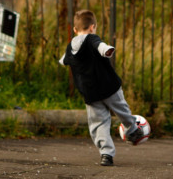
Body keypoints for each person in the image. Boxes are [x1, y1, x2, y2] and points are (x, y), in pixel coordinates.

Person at [59, 9, 144, 166]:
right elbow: (101, 46)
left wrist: (64, 61)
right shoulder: (92, 39)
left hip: (90, 93)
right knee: (122, 109)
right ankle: (132, 130)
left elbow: (64, 60)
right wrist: (107, 50)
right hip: (109, 87)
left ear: (75, 29)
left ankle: (106, 154)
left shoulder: (70, 46)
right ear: (92, 27)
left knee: (99, 123)